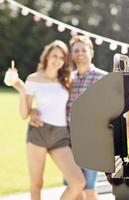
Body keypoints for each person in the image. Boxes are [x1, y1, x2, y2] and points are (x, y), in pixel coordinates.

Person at [30, 35, 108, 200]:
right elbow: (51, 99)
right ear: (72, 55)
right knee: (75, 188)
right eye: (76, 50)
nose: (80, 53)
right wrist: (33, 110)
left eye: (83, 50)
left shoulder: (102, 78)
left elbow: (111, 111)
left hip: (91, 144)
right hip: (67, 142)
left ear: (91, 53)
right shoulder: (67, 79)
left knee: (89, 188)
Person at [11, 40, 86, 200]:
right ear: (46, 57)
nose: (57, 60)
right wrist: (23, 92)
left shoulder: (66, 80)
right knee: (36, 184)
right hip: (38, 133)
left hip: (60, 135)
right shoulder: (33, 79)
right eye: (54, 55)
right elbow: (25, 114)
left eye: (61, 57)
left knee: (78, 182)